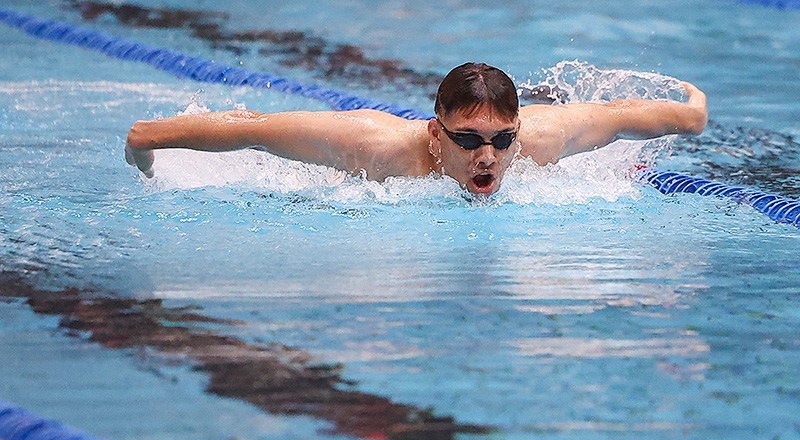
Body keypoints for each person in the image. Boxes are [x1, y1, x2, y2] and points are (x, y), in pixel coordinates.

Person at [125, 62, 707, 196]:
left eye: (501, 141)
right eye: (470, 140)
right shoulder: (376, 147)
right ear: (436, 133)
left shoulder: (541, 140)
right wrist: (149, 142)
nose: (489, 157)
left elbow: (622, 116)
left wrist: (692, 111)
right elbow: (254, 128)